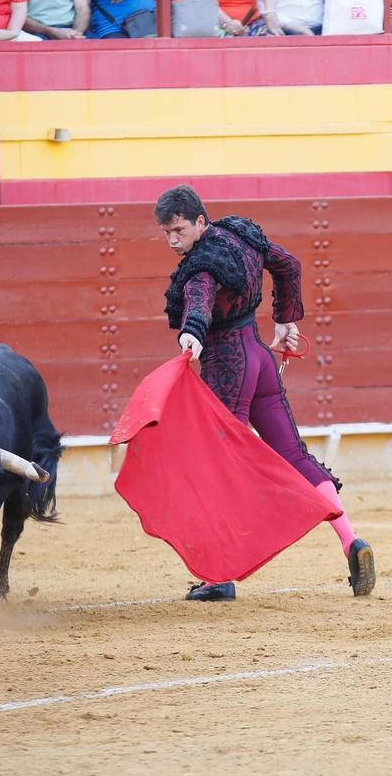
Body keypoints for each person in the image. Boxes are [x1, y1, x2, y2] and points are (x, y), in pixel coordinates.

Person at [154, 184, 375, 602]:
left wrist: (191, 333)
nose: (172, 240)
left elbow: (199, 300)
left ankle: (220, 576)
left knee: (218, 467)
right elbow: (288, 265)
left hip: (227, 366)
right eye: (166, 233)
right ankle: (352, 541)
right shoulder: (240, 235)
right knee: (295, 456)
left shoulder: (200, 264)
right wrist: (285, 321)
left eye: (178, 230)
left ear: (200, 221)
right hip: (259, 357)